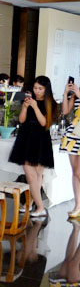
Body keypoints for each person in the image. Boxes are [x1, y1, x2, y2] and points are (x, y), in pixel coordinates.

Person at [8, 75, 56, 217]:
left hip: (40, 140)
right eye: (35, 88)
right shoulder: (30, 100)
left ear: (46, 89)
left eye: (40, 88)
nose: (37, 91)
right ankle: (32, 204)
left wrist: (35, 107)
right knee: (31, 176)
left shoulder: (51, 103)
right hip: (26, 138)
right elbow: (22, 120)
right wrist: (24, 107)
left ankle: (39, 207)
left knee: (36, 176)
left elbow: (44, 123)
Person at [61, 77, 80, 218]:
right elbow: (66, 111)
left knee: (79, 172)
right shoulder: (76, 93)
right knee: (74, 172)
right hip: (74, 133)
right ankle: (78, 205)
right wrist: (66, 93)